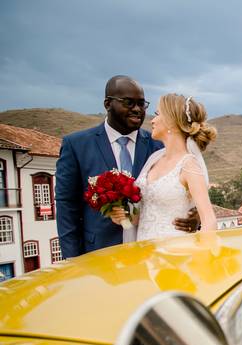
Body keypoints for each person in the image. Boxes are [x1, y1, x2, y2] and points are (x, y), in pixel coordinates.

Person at [55, 75, 199, 259]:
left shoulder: (159, 146)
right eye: (129, 103)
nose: (137, 110)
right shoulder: (76, 145)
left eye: (142, 104)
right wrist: (71, 259)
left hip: (152, 251)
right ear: (107, 104)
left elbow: (188, 186)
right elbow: (67, 204)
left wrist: (196, 216)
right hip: (99, 253)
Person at [109, 94, 217, 241]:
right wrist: (122, 217)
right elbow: (141, 217)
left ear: (171, 122)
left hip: (175, 255)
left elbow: (209, 221)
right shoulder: (154, 159)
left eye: (157, 114)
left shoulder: (188, 165)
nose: (152, 120)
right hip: (145, 254)